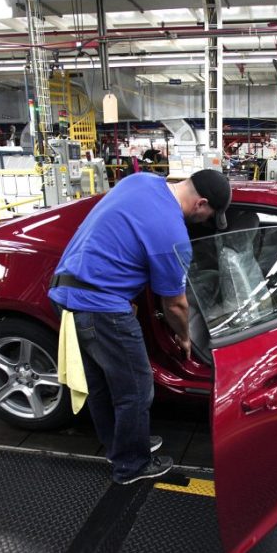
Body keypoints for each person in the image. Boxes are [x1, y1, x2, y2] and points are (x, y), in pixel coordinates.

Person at [48, 169, 231, 485]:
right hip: (103, 309)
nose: (205, 221)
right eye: (209, 216)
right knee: (136, 389)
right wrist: (184, 337)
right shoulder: (173, 236)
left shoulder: (140, 180)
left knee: (102, 384)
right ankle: (131, 465)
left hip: (66, 293)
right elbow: (175, 305)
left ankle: (119, 447)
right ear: (201, 203)